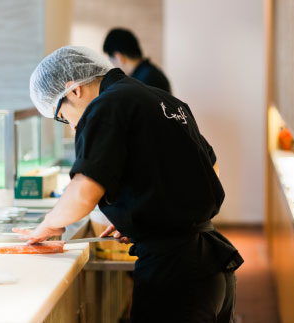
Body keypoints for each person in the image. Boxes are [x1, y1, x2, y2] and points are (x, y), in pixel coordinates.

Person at [16, 46, 243, 322]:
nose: (71, 125)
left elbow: (84, 190)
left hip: (174, 275)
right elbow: (210, 168)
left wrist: (48, 225)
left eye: (62, 116)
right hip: (214, 265)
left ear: (73, 90)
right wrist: (142, 215)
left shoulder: (105, 106)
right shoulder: (162, 99)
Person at [103, 28, 171, 93]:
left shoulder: (143, 80)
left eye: (111, 61)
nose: (112, 66)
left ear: (118, 57)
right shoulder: (150, 73)